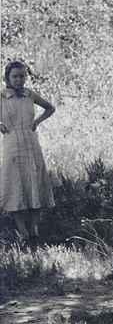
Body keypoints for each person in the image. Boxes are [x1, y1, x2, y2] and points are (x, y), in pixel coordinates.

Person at [0, 60, 56, 247]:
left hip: (31, 144)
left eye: (22, 76)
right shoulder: (2, 96)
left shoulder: (30, 94)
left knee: (34, 183)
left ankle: (34, 229)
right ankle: (22, 231)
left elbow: (50, 108)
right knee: (15, 184)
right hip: (12, 144)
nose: (19, 79)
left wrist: (37, 122)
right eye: (15, 76)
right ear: (7, 78)